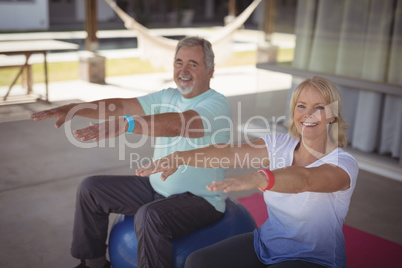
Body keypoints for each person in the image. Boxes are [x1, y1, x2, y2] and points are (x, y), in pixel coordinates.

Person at [31, 36, 232, 268]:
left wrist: (128, 124)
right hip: (156, 188)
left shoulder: (217, 103)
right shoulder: (168, 96)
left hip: (201, 200)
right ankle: (94, 264)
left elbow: (182, 123)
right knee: (91, 189)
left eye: (193, 64)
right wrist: (78, 108)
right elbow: (123, 106)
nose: (183, 70)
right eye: (178, 62)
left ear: (210, 71)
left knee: (149, 215)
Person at [136, 76, 359, 268]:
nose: (307, 114)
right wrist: (180, 157)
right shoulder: (280, 144)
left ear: (333, 115)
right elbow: (230, 153)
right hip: (266, 244)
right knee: (198, 262)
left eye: (318, 107)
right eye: (301, 106)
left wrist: (260, 178)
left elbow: (305, 180)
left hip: (314, 258)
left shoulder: (343, 164)